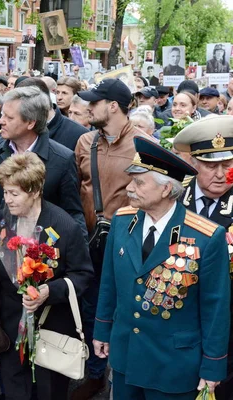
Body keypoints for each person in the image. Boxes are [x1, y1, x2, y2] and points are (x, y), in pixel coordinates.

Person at [93, 136, 230, 399]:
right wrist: (102, 329)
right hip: (126, 354)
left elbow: (216, 308)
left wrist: (212, 366)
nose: (129, 188)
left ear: (166, 189)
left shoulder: (206, 236)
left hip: (173, 366)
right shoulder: (122, 221)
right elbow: (109, 282)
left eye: (139, 182)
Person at [0, 152, 93, 399]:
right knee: (13, 383)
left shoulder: (64, 226)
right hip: (11, 320)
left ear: (36, 191)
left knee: (49, 389)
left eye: (14, 194)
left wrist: (50, 291)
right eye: (5, 192)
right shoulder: (4, 217)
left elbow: (83, 275)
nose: (8, 200)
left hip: (51, 324)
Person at [71, 79, 144, 400]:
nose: (89, 107)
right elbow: (76, 191)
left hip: (128, 243)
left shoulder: (144, 144)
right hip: (89, 242)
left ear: (112, 106)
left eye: (95, 102)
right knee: (91, 306)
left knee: (126, 308)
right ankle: (96, 373)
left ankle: (124, 374)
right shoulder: (85, 141)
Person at [173, 116, 233, 399]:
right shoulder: (172, 195)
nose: (220, 174)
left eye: (227, 164)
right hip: (177, 313)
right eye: (210, 165)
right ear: (194, 163)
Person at [0, 86, 87, 236]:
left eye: (9, 118)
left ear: (30, 123)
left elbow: (72, 212)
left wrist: (79, 255)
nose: (0, 121)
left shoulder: (62, 159)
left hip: (41, 250)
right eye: (2, 115)